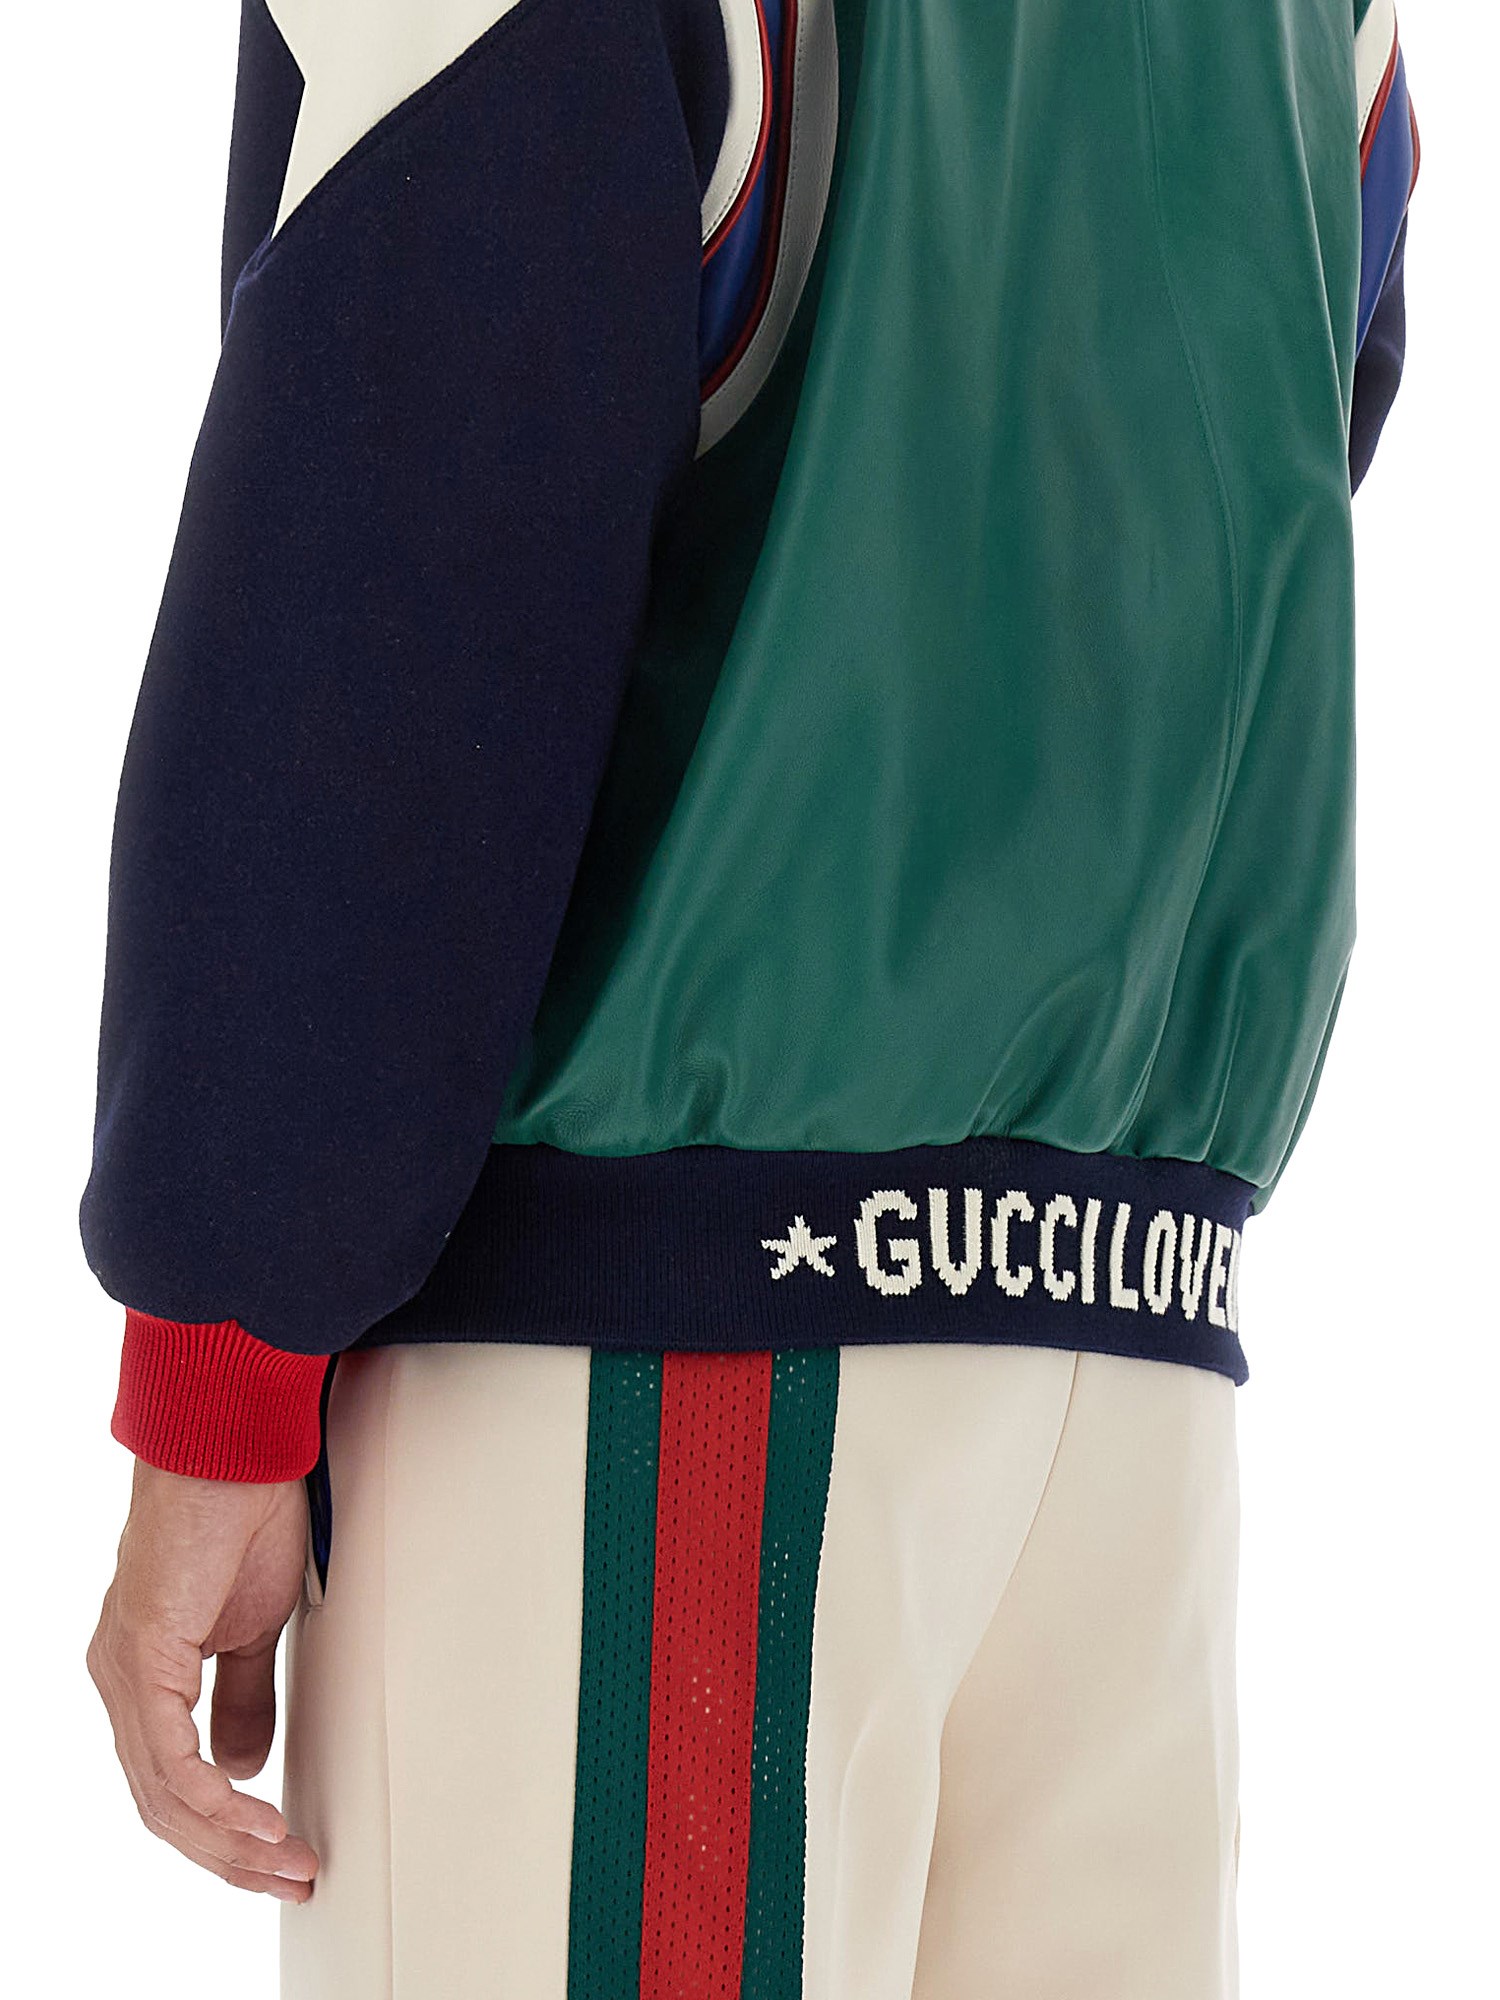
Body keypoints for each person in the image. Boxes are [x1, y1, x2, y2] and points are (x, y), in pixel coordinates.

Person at [82, 1, 1418, 1993]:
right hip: (1132, 1367)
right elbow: (1289, 411)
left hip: (662, 1376)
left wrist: (227, 1346)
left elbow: (405, 534)